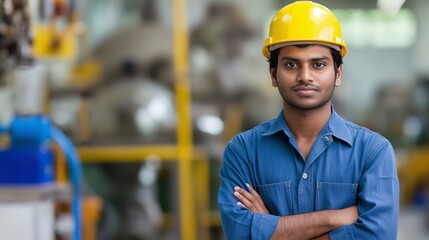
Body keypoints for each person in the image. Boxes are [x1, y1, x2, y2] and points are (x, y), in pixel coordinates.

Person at [217, 1, 399, 239]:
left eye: (318, 64)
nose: (305, 76)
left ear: (338, 73)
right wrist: (332, 218)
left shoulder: (373, 152)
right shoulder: (243, 152)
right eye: (291, 64)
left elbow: (378, 235)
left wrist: (272, 229)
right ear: (273, 74)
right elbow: (239, 232)